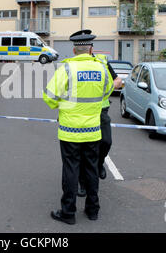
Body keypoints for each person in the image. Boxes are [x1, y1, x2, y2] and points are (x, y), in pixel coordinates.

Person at [43, 30, 114, 225]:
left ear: (74, 49)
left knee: (71, 170)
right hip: (93, 130)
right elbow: (107, 92)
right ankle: (93, 210)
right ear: (91, 49)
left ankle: (68, 213)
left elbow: (49, 97)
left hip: (69, 131)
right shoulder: (101, 68)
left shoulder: (66, 69)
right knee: (91, 169)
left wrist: (63, 105)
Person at [77, 52, 122, 196]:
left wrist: (106, 89)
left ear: (91, 48)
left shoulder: (102, 62)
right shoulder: (74, 65)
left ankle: (99, 163)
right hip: (81, 111)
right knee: (83, 149)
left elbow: (118, 81)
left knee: (106, 141)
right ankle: (82, 184)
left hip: (101, 110)